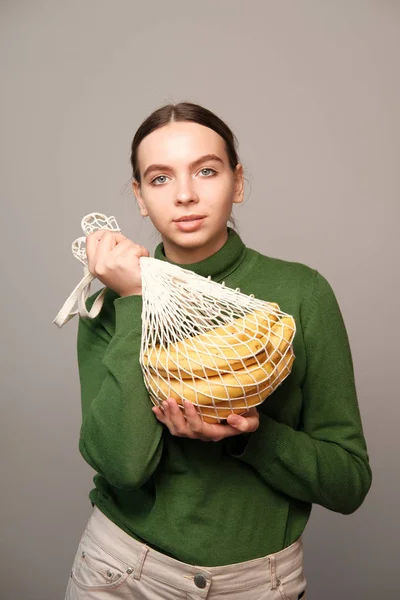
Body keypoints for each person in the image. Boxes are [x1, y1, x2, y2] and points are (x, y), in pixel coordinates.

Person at [64, 102, 372, 600]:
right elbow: (123, 467)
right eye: (160, 179)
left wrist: (250, 436)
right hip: (123, 575)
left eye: (206, 171)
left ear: (239, 182)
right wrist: (135, 300)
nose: (185, 195)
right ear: (140, 198)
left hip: (259, 585)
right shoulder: (114, 301)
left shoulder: (300, 294)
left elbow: (348, 483)